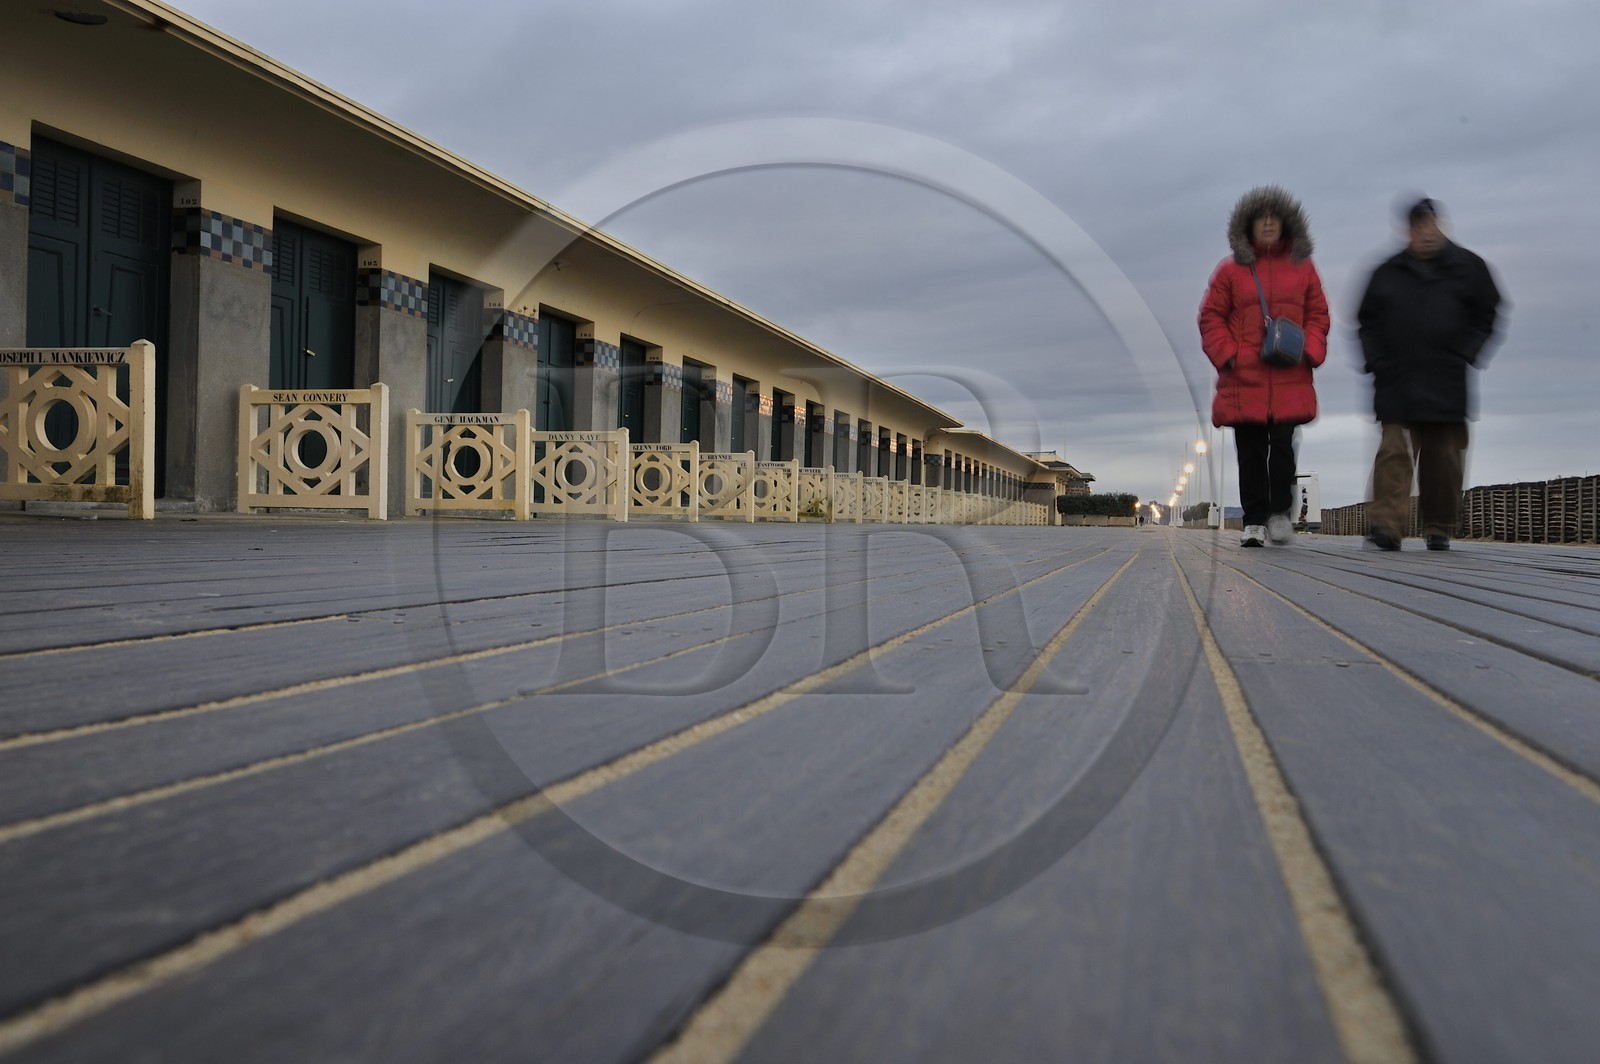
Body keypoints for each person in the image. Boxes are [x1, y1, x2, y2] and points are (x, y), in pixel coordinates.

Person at [1357, 197, 1502, 552]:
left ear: (1441, 225)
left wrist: (1466, 352)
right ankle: (1387, 527)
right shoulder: (1386, 272)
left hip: (1446, 379)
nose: (1425, 232)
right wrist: (1376, 362)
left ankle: (1439, 526)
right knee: (1394, 453)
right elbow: (1366, 322)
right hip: (1397, 381)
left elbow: (1489, 310)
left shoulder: (1469, 267)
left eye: (1430, 224)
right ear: (1405, 231)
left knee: (1444, 459)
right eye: (1417, 226)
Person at [1199, 186, 1331, 547]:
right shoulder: (1230, 270)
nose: (1269, 223)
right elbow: (1211, 316)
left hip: (1289, 373)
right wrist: (1230, 356)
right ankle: (1254, 520)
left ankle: (1279, 514)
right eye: (1262, 218)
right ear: (1249, 225)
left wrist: (1311, 349)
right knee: (1251, 449)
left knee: (1284, 445)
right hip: (1245, 376)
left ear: (1288, 224)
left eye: (1275, 218)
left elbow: (1319, 314)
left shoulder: (1304, 268)